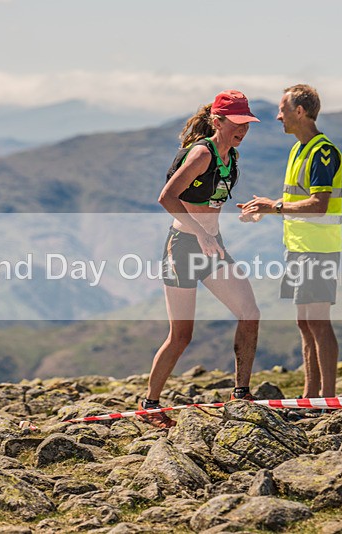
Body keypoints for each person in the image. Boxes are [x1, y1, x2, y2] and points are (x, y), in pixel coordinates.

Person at [140, 90, 261, 428]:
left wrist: (245, 215)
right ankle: (150, 404)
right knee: (181, 335)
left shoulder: (231, 156)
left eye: (247, 123)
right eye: (236, 122)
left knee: (250, 313)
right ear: (217, 121)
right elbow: (167, 197)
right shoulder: (202, 154)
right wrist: (201, 232)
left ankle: (241, 394)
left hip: (212, 246)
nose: (242, 130)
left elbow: (213, 202)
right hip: (182, 247)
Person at [238, 84, 342, 399]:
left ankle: (327, 396)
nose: (277, 116)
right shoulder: (298, 149)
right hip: (298, 247)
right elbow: (293, 202)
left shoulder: (323, 151)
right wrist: (265, 209)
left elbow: (318, 204)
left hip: (318, 248)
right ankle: (311, 395)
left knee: (318, 323)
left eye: (282, 110)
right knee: (305, 323)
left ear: (300, 112)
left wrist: (275, 207)